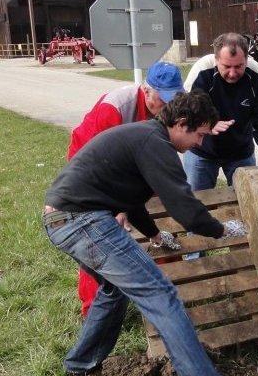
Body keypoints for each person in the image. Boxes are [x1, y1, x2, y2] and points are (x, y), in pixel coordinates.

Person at [42, 91, 258, 376]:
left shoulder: (146, 137)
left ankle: (80, 363)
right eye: (199, 135)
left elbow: (128, 198)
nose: (200, 144)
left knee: (114, 290)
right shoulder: (155, 144)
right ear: (182, 124)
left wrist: (156, 235)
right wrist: (222, 230)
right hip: (81, 220)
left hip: (64, 218)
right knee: (162, 296)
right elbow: (185, 208)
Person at [67, 61, 185, 317]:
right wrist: (117, 206)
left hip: (134, 166)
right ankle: (93, 309)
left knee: (162, 217)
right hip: (91, 167)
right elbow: (100, 162)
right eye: (162, 100)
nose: (168, 107)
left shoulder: (170, 109)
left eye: (173, 99)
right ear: (146, 90)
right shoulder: (115, 107)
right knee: (99, 236)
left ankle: (172, 292)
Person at [184, 33, 258, 191]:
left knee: (247, 200)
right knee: (195, 201)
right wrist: (207, 124)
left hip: (241, 152)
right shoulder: (202, 72)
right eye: (227, 67)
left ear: (247, 60)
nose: (233, 73)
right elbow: (188, 112)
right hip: (202, 151)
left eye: (238, 66)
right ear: (216, 60)